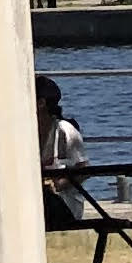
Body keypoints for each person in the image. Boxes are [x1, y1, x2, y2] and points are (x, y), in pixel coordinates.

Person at [35, 73, 90, 231]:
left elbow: (84, 169)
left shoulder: (64, 130)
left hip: (65, 203)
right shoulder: (26, 131)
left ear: (41, 103)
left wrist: (58, 184)